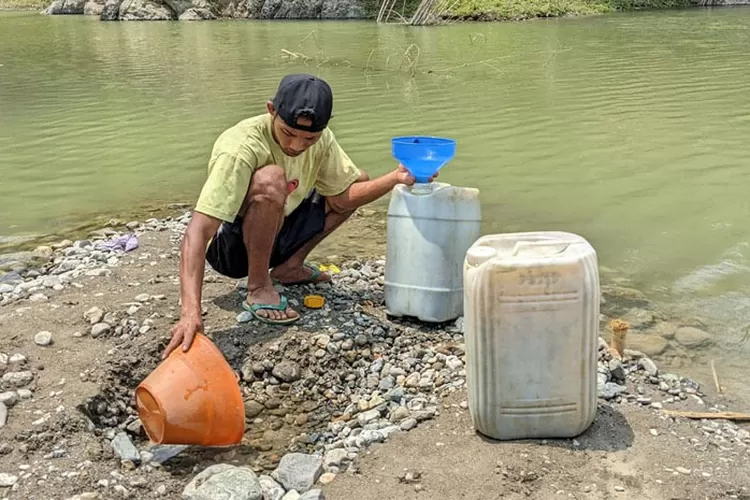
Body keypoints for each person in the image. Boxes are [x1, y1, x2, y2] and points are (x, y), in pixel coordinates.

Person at [163, 73, 436, 359]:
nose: (296, 146)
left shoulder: (322, 140)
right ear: (272, 110)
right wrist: (190, 312)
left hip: (279, 230)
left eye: (309, 138)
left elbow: (342, 198)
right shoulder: (241, 147)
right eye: (288, 133)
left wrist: (396, 177)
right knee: (271, 179)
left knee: (357, 179)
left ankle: (290, 267)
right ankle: (258, 286)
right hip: (231, 250)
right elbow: (197, 232)